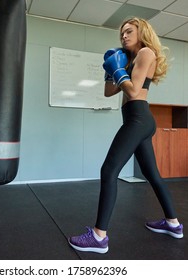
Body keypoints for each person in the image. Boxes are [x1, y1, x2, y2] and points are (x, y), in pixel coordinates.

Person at [68, 17, 184, 254]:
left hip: (138, 118)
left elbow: (132, 92)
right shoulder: (129, 57)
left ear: (142, 32)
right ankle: (173, 224)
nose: (123, 36)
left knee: (108, 170)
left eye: (129, 31)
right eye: (121, 33)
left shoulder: (146, 53)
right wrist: (111, 70)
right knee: (152, 175)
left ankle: (99, 237)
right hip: (136, 119)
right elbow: (109, 92)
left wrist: (120, 70)